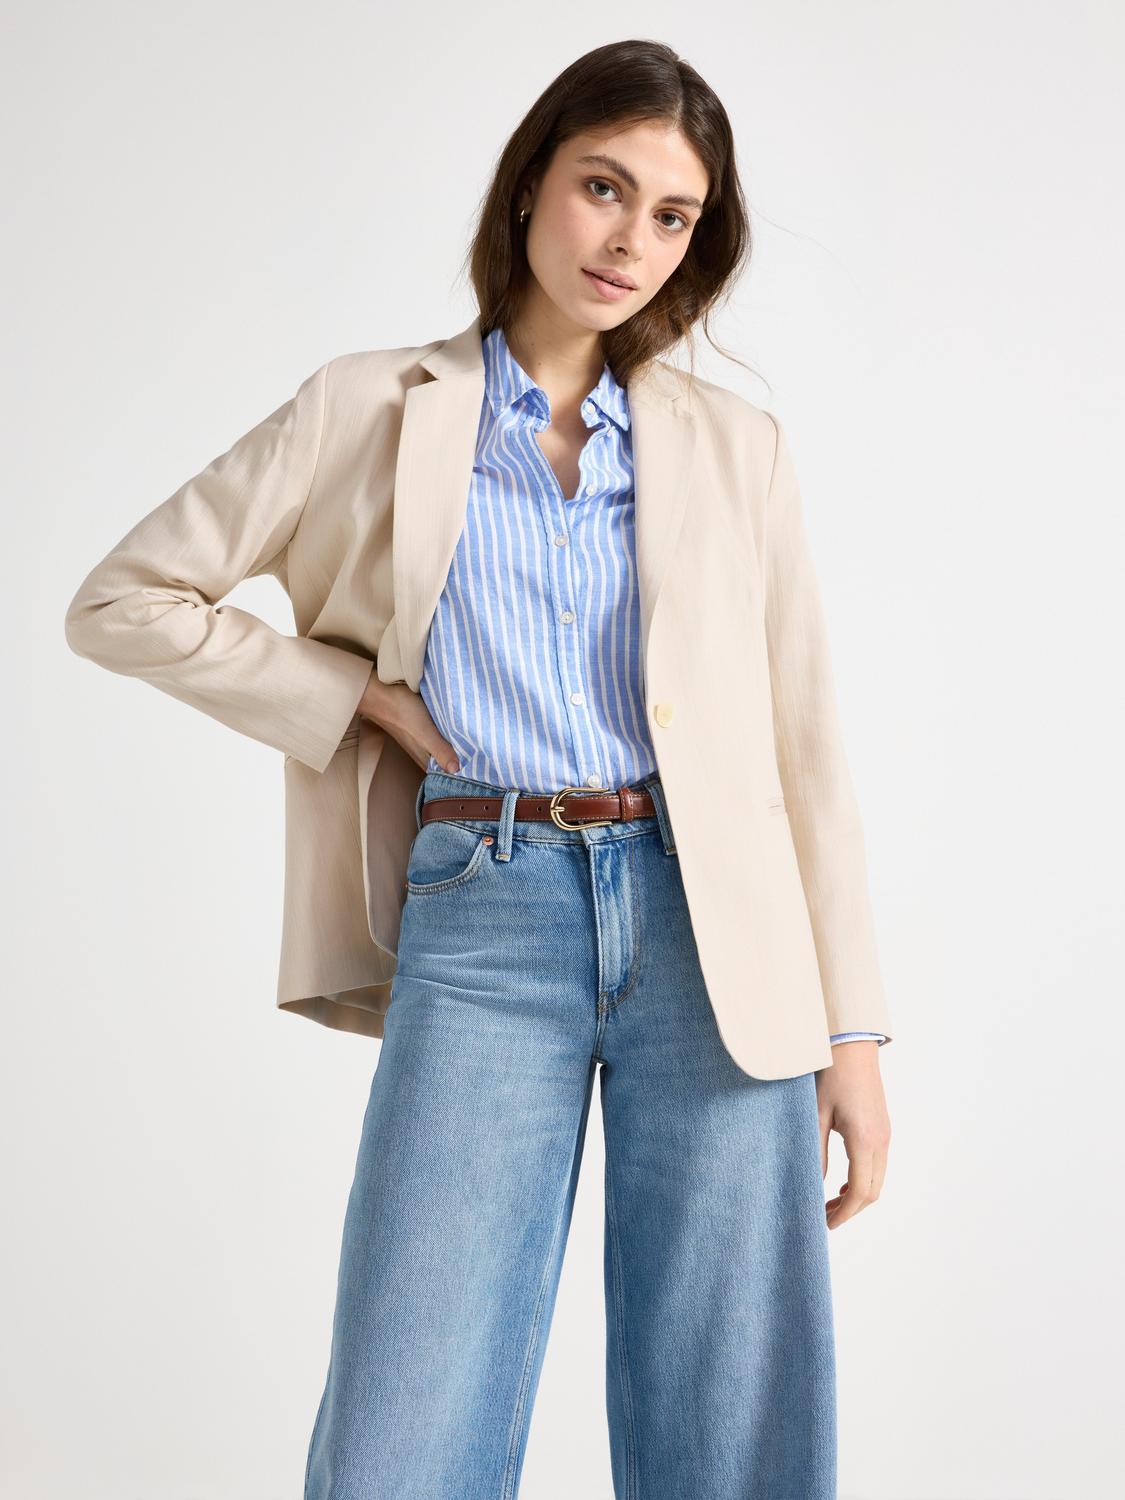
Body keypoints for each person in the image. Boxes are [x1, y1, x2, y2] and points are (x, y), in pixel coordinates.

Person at [64, 37, 893, 1500]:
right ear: (529, 186)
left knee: (732, 1411)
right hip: (486, 903)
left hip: (716, 929)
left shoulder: (734, 448)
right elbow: (124, 601)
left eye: (672, 216)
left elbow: (804, 750)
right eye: (602, 188)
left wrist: (855, 1040)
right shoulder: (368, 406)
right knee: (411, 1397)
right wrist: (349, 696)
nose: (629, 240)